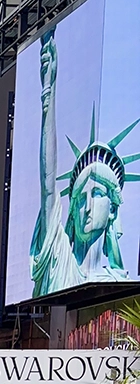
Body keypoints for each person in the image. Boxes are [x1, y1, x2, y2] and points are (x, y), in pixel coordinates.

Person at [31, 27, 140, 297]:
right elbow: (47, 184)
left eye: (98, 194)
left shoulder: (120, 284)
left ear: (114, 209)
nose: (87, 207)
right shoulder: (58, 255)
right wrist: (49, 90)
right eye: (80, 198)